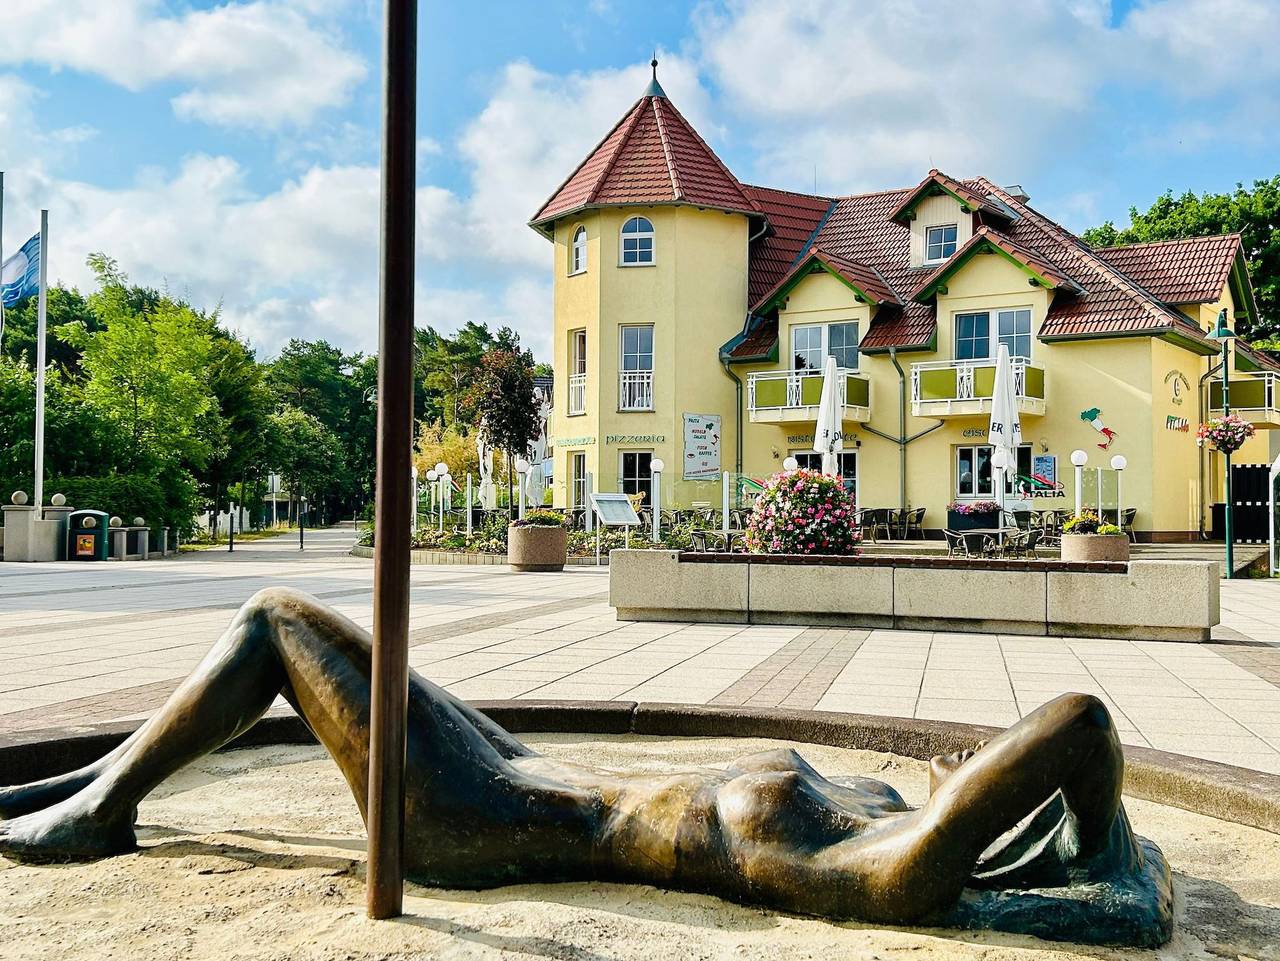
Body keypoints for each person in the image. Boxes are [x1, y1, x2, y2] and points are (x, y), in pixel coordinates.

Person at [0, 588, 1164, 935]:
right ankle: (92, 784)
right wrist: (1100, 845)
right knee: (331, 653)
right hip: (533, 774)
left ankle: (100, 805)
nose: (965, 767)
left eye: (974, 784)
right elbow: (1065, 751)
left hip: (485, 822)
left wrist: (1106, 860)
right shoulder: (873, 825)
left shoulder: (878, 872)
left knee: (275, 625)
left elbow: (1075, 721)